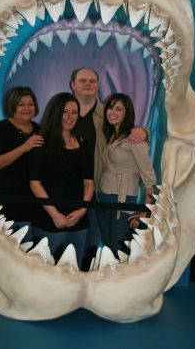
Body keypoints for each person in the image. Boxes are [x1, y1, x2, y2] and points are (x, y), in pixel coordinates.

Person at [70, 68, 148, 268]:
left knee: (97, 249)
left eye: (92, 81)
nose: (88, 84)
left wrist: (144, 131)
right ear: (73, 84)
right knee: (68, 250)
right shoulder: (65, 113)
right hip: (67, 194)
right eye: (82, 80)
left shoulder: (107, 116)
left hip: (99, 197)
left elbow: (132, 133)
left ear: (97, 85)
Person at [29, 93, 94, 266]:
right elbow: (35, 183)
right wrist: (55, 214)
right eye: (65, 112)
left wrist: (82, 210)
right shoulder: (41, 142)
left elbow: (89, 182)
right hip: (49, 219)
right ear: (56, 112)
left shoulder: (83, 143)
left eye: (74, 112)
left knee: (75, 271)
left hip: (78, 220)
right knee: (47, 273)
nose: (70, 117)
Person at [96, 93, 156, 257]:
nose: (112, 112)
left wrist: (145, 212)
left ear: (127, 113)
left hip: (122, 207)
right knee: (108, 251)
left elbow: (149, 178)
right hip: (102, 204)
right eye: (110, 107)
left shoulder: (134, 139)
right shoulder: (111, 137)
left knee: (119, 256)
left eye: (118, 109)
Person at [0, 86, 44, 241]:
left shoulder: (39, 130)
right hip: (8, 204)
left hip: (35, 205)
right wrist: (24, 147)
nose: (27, 108)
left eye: (30, 104)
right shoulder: (0, 129)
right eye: (21, 104)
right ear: (12, 105)